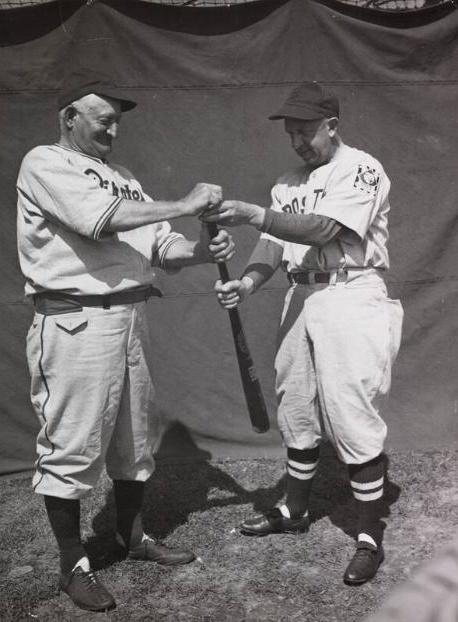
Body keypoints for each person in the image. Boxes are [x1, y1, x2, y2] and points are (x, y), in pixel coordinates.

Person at [16, 73, 234, 612]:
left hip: (130, 318)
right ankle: (74, 566)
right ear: (70, 117)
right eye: (103, 118)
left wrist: (205, 252)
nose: (114, 128)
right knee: (70, 448)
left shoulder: (126, 178)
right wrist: (184, 202)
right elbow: (98, 220)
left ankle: (133, 538)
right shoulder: (45, 162)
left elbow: (161, 247)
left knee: (135, 442)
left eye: (118, 119)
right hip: (74, 323)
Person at [202, 82, 403, 585]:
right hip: (302, 293)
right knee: (295, 403)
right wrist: (247, 283)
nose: (298, 141)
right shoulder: (288, 181)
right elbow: (273, 244)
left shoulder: (361, 167)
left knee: (350, 410)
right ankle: (293, 510)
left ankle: (369, 534)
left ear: (331, 125)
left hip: (351, 291)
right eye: (292, 133)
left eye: (306, 131)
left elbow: (320, 230)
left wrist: (252, 213)